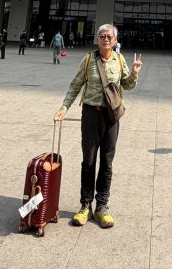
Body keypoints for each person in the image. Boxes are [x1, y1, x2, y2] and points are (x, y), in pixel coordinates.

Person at [53, 24, 142, 228]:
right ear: (97, 39)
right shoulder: (88, 60)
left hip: (111, 117)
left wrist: (135, 73)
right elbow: (75, 85)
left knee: (107, 162)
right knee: (89, 161)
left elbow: (126, 85)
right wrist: (64, 108)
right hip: (91, 114)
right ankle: (85, 206)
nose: (105, 39)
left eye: (109, 36)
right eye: (101, 36)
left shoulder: (119, 60)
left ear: (115, 40)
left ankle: (102, 206)